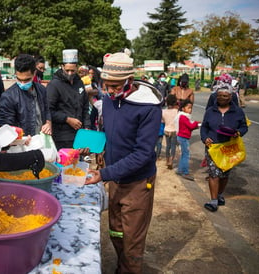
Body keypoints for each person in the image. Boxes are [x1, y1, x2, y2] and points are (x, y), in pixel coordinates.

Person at [85, 49, 163, 274]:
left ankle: (129, 267)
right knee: (116, 231)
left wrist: (104, 174)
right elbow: (111, 134)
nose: (109, 91)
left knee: (132, 241)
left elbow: (143, 154)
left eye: (115, 86)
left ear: (130, 80)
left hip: (138, 182)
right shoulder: (110, 101)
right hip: (116, 177)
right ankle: (123, 266)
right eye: (106, 85)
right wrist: (93, 146)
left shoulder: (148, 108)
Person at [200, 83, 248, 212]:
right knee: (213, 174)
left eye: (225, 96)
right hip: (213, 147)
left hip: (229, 147)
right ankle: (214, 201)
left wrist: (239, 132)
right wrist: (205, 138)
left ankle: (219, 194)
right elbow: (204, 126)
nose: (222, 98)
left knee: (225, 174)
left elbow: (244, 126)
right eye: (220, 96)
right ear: (216, 96)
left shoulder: (238, 111)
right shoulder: (210, 111)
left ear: (231, 97)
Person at [46, 49, 91, 150]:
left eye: (73, 70)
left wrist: (87, 126)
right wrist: (67, 119)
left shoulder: (79, 83)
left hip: (79, 134)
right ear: (62, 67)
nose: (70, 73)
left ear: (77, 68)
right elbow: (48, 110)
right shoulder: (54, 85)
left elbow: (85, 106)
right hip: (62, 136)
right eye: (67, 70)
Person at [0, 53, 52, 136]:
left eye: (27, 80)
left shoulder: (41, 90)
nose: (22, 83)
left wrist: (48, 123)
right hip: (20, 145)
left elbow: (47, 111)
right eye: (19, 79)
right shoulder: (8, 96)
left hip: (41, 141)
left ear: (34, 73)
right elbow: (6, 127)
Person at [175, 99, 200, 181]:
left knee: (183, 154)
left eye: (191, 108)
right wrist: (196, 123)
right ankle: (185, 172)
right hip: (183, 138)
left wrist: (195, 124)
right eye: (188, 108)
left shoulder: (182, 116)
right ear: (183, 108)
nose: (190, 110)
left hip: (182, 137)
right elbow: (191, 126)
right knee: (186, 155)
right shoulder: (183, 117)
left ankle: (180, 170)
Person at [162, 94, 179, 169]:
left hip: (166, 130)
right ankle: (171, 161)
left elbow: (162, 121)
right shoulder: (176, 111)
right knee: (173, 147)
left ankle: (167, 160)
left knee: (167, 146)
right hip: (174, 130)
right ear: (175, 102)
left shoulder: (163, 111)